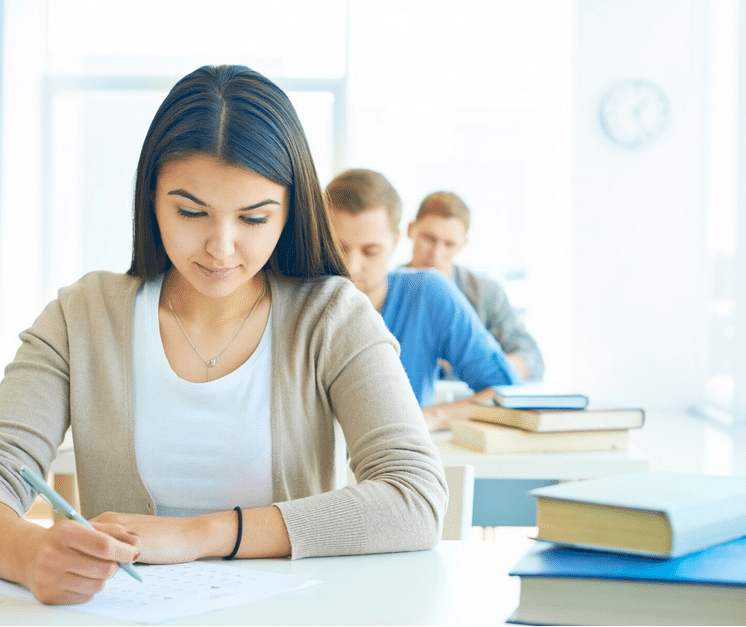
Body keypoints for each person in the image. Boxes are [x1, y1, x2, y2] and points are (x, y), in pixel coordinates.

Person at [0, 65, 446, 606]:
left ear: (290, 213)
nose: (221, 247)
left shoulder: (332, 318)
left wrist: (197, 535)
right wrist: (27, 552)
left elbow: (414, 496)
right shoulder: (81, 317)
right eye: (191, 212)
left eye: (254, 218)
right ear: (151, 199)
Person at [324, 169, 522, 432]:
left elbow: (509, 395)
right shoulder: (293, 298)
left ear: (396, 241)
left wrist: (433, 417)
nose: (351, 267)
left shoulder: (429, 294)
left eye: (370, 251)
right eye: (340, 247)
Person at [406, 191, 545, 382]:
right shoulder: (384, 289)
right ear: (410, 230)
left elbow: (532, 359)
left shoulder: (486, 293)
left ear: (463, 244)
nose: (436, 254)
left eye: (449, 244)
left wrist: (480, 363)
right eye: (429, 239)